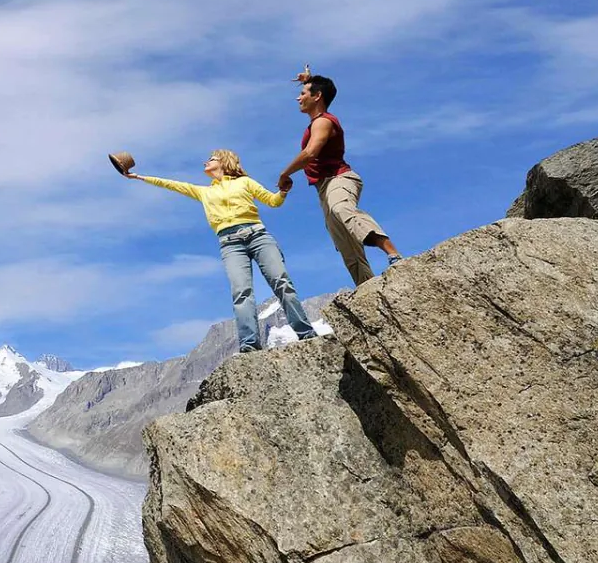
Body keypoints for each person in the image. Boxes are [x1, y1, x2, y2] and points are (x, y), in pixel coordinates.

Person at [118, 149, 318, 353]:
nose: (206, 161)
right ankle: (249, 344)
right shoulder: (205, 192)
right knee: (241, 292)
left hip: (258, 236)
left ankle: (306, 333)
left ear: (224, 162)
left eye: (211, 159)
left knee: (281, 282)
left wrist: (283, 192)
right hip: (230, 244)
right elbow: (172, 184)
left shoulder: (245, 182)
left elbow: (273, 201)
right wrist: (139, 177)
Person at [274, 71, 400, 285]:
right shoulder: (317, 116)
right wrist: (309, 79)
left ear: (317, 96)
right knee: (345, 243)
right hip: (324, 187)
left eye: (303, 93)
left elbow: (310, 153)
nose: (298, 97)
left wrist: (285, 173)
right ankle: (367, 287)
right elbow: (322, 88)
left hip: (339, 179)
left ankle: (393, 254)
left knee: (342, 209)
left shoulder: (324, 122)